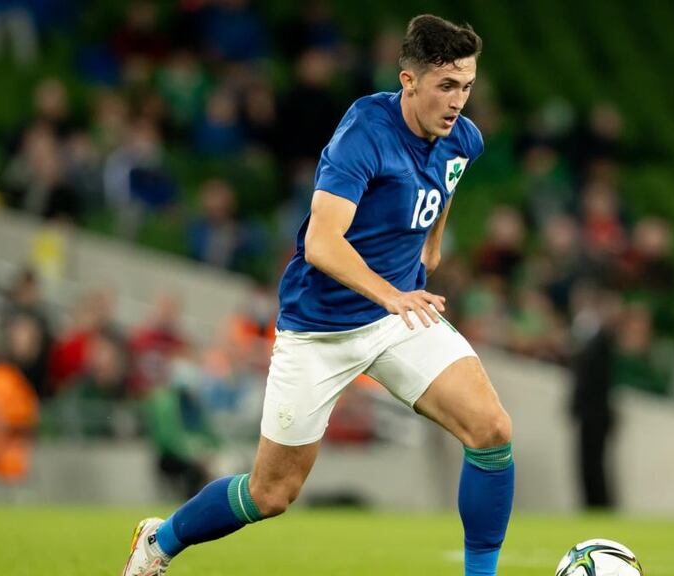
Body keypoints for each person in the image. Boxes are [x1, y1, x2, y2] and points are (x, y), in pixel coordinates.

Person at [122, 15, 515, 576]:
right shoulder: (364, 132)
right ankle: (160, 542)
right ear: (408, 81)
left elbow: (444, 184)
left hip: (395, 320)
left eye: (467, 86)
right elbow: (321, 242)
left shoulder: (463, 139)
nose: (458, 101)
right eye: (446, 86)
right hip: (320, 329)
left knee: (492, 430)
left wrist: (432, 245)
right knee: (271, 494)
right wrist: (391, 295)